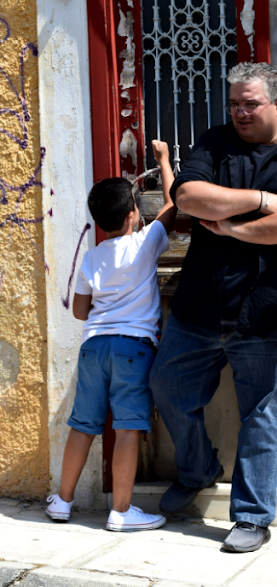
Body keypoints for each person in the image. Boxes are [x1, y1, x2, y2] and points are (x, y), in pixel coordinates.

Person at [150, 62, 277, 552]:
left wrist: (232, 226)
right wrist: (257, 199)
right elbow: (188, 196)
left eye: (250, 104)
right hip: (202, 304)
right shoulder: (214, 142)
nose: (240, 112)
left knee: (262, 416)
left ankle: (252, 516)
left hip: (271, 308)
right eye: (234, 104)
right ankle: (198, 469)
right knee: (167, 385)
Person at [46, 141, 176, 532]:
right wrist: (164, 162)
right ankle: (121, 512)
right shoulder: (146, 242)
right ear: (134, 214)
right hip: (132, 348)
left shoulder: (92, 255)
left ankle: (62, 502)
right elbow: (172, 207)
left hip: (94, 347)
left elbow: (80, 311)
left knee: (83, 424)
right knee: (127, 427)